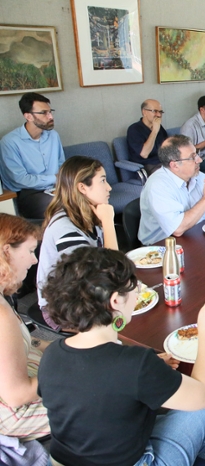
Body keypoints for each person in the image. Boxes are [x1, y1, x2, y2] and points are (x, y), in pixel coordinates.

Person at [37, 247, 205, 465]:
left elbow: (96, 386)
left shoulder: (52, 354)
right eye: (135, 287)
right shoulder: (136, 364)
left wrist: (152, 367)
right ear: (115, 301)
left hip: (64, 460)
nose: (138, 292)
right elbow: (201, 396)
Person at [37, 156, 119, 331]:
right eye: (103, 181)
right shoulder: (65, 228)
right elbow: (108, 272)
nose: (109, 187)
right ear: (82, 187)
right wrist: (108, 222)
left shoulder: (86, 213)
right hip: (63, 306)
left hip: (84, 291)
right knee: (120, 324)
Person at [0, 214, 51, 441]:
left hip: (18, 378)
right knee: (102, 395)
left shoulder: (5, 298)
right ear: (7, 251)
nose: (35, 260)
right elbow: (17, 395)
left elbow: (28, 343)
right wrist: (69, 371)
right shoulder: (1, 316)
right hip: (12, 414)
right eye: (31, 251)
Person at [139, 135, 205, 245]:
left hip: (195, 236)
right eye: (193, 157)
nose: (199, 160)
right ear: (175, 165)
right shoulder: (157, 186)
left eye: (197, 154)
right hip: (161, 247)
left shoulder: (199, 176)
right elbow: (178, 229)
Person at [0, 92, 65, 219]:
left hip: (55, 187)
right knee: (61, 207)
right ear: (28, 116)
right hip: (27, 193)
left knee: (88, 196)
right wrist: (55, 178)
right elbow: (20, 179)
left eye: (50, 111)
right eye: (44, 113)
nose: (50, 116)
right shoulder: (10, 142)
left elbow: (61, 164)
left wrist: (62, 182)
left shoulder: (53, 136)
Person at [126, 99, 168, 175]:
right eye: (155, 111)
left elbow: (168, 146)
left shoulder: (159, 127)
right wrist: (154, 131)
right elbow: (144, 154)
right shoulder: (134, 129)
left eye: (160, 112)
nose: (158, 115)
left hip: (163, 162)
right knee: (173, 176)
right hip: (147, 166)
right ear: (144, 112)